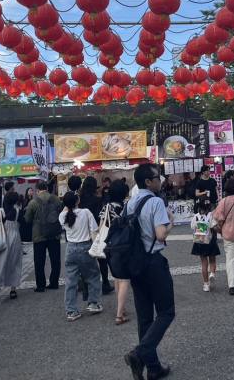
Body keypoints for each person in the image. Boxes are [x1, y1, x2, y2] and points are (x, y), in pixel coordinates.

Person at [123, 163, 174, 380]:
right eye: (157, 177)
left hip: (134, 264)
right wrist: (170, 222)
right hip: (153, 262)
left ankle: (153, 367)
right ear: (148, 181)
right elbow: (161, 234)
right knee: (166, 312)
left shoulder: (130, 203)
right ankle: (140, 353)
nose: (160, 180)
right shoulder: (155, 202)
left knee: (145, 317)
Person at [60, 191, 103, 321]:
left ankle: (71, 311)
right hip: (85, 247)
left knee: (71, 281)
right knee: (93, 275)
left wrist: (67, 204)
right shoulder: (86, 212)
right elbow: (94, 230)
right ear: (78, 201)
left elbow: (66, 210)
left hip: (71, 248)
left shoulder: (62, 215)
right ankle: (93, 303)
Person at [24, 181, 62, 292]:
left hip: (38, 235)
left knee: (39, 261)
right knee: (55, 260)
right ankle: (54, 282)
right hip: (54, 234)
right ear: (47, 188)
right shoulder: (56, 199)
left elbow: (27, 219)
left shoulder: (33, 202)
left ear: (37, 190)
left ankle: (41, 285)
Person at [80, 176, 114, 295]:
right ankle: (105, 283)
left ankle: (85, 286)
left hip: (83, 233)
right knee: (101, 260)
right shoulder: (97, 200)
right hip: (96, 232)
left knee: (85, 262)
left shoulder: (80, 200)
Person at [105, 179, 132, 325]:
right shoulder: (124, 208)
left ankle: (121, 308)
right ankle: (119, 315)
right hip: (121, 246)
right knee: (124, 280)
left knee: (116, 278)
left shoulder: (106, 207)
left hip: (108, 246)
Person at [190, 198, 220, 292]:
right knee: (212, 260)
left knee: (203, 263)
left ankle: (206, 284)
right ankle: (212, 273)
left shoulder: (195, 216)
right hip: (210, 240)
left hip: (199, 241)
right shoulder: (211, 216)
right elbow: (215, 227)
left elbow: (192, 227)